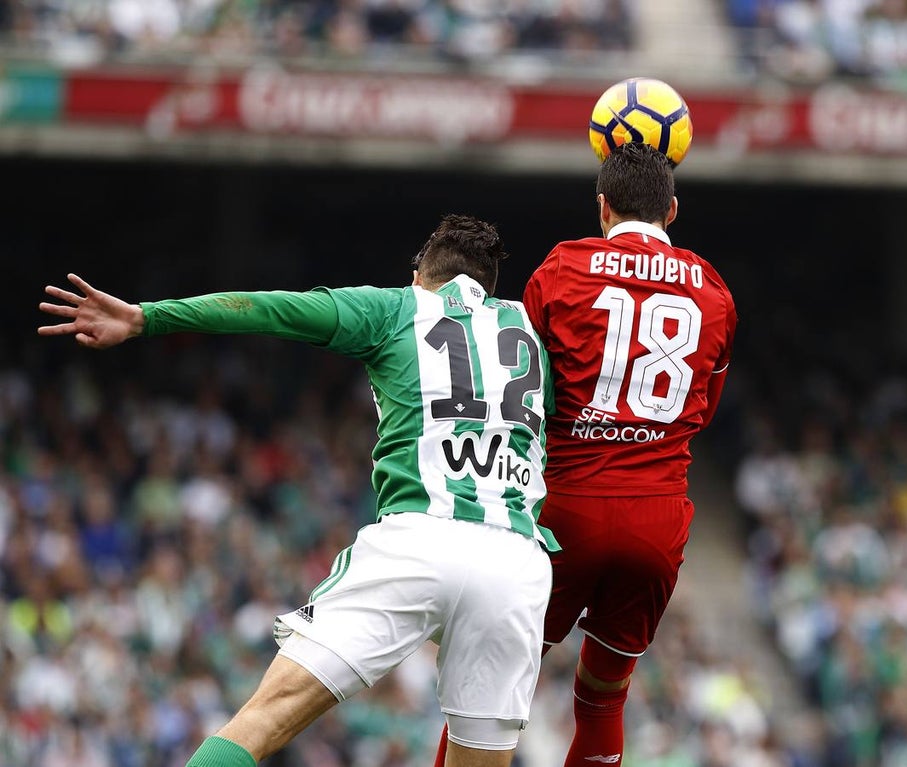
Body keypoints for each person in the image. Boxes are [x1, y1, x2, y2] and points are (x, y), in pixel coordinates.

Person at [38, 214, 558, 767]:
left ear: (418, 275)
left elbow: (271, 309)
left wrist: (149, 318)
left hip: (420, 539)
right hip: (514, 558)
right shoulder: (532, 331)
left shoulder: (396, 307)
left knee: (263, 718)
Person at [432, 142, 738, 767]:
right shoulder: (714, 291)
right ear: (672, 211)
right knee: (603, 700)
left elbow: (525, 389)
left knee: (487, 694)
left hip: (565, 509)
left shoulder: (564, 267)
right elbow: (702, 410)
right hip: (657, 516)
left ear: (602, 207)